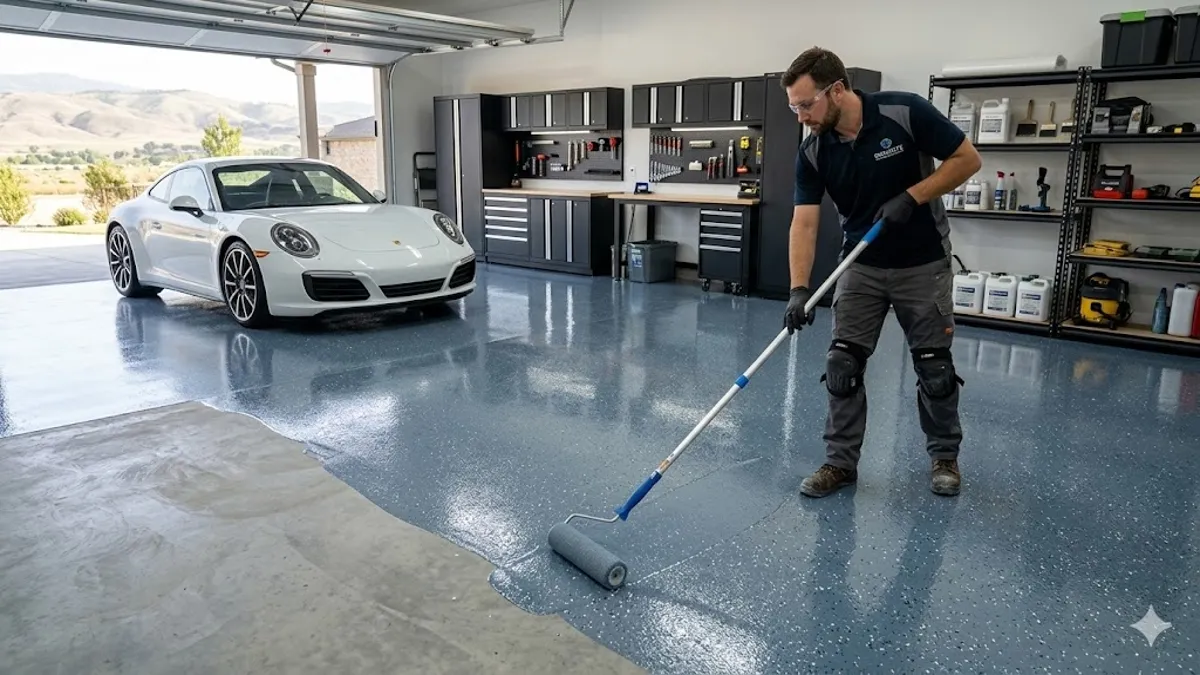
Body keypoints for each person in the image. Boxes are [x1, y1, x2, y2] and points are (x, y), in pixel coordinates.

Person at [779, 46, 982, 498]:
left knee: (934, 367)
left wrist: (913, 196)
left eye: (806, 105)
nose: (801, 117)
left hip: (922, 261)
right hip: (861, 264)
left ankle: (944, 457)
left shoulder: (903, 112)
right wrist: (798, 289)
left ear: (837, 90)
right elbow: (805, 221)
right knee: (842, 364)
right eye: (794, 108)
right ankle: (840, 464)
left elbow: (968, 160)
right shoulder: (813, 151)